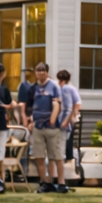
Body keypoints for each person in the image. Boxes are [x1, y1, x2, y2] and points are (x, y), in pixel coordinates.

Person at [29, 62, 67, 193]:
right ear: (35, 73)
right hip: (37, 127)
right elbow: (30, 106)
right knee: (39, 157)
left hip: (52, 128)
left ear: (47, 72)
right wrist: (30, 120)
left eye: (43, 71)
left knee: (56, 156)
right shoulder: (33, 88)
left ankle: (61, 183)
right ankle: (45, 182)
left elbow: (57, 104)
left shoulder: (54, 86)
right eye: (38, 71)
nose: (40, 73)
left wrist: (52, 119)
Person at [56, 68, 83, 166]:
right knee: (67, 137)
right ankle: (68, 156)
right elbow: (78, 103)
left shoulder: (67, 88)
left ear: (63, 81)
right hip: (67, 116)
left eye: (59, 81)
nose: (58, 83)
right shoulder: (71, 88)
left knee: (66, 137)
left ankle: (67, 157)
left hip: (66, 116)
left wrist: (71, 116)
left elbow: (74, 104)